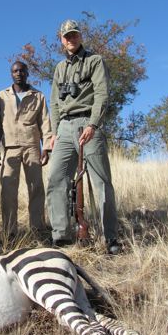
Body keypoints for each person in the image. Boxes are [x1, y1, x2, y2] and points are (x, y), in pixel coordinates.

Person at [47, 20, 121, 254]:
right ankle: (61, 235)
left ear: (80, 36)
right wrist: (54, 132)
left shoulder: (95, 61)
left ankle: (110, 237)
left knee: (100, 182)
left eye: (74, 35)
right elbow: (55, 103)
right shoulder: (59, 68)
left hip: (88, 125)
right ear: (61, 39)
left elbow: (102, 94)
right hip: (65, 129)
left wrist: (93, 124)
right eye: (66, 36)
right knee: (56, 179)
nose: (71, 39)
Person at [0, 61, 52, 238]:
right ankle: (10, 232)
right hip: (9, 147)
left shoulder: (37, 95)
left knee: (36, 188)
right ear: (11, 74)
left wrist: (46, 147)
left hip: (32, 146)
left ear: (27, 73)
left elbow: (45, 122)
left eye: (22, 71)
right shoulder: (2, 96)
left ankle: (38, 230)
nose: (18, 73)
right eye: (15, 71)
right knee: (8, 190)